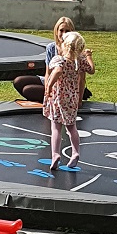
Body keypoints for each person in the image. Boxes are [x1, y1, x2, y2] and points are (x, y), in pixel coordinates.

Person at [43, 31, 95, 170]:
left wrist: (49, 86)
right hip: (72, 98)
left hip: (58, 98)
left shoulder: (59, 60)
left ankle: (55, 154)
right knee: (72, 127)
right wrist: (89, 56)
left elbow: (57, 71)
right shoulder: (79, 62)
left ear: (65, 46)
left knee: (56, 127)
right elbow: (91, 70)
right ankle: (75, 152)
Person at [13, 17, 92, 103]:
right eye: (61, 30)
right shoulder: (51, 48)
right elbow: (48, 73)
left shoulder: (76, 50)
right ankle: (49, 97)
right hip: (53, 81)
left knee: (28, 90)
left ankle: (59, 99)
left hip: (67, 87)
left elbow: (81, 78)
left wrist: (79, 99)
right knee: (18, 81)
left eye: (67, 31)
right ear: (56, 31)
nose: (64, 34)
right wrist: (48, 89)